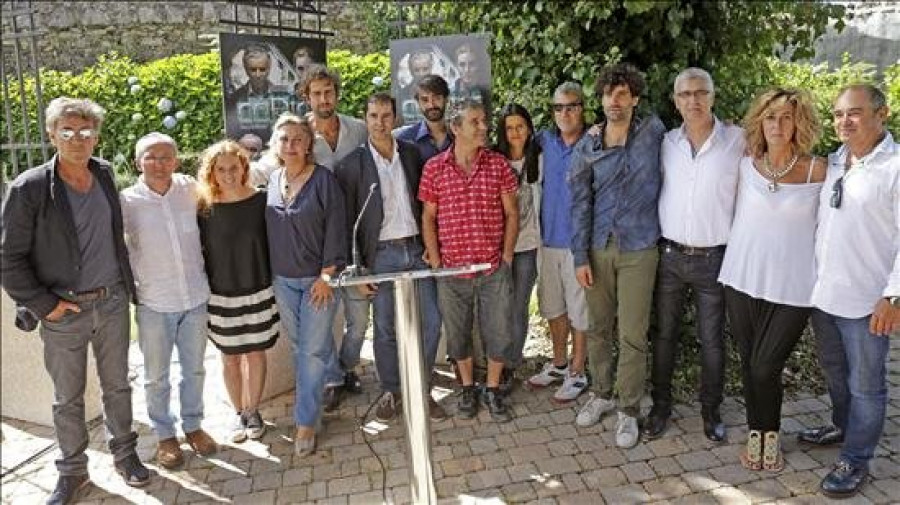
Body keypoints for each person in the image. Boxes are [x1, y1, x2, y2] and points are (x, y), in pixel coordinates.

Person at [1, 97, 150, 503]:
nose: (77, 138)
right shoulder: (29, 188)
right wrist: (43, 304)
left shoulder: (103, 173)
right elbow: (8, 258)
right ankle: (73, 472)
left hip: (113, 302)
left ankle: (126, 455)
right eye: (67, 131)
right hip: (63, 311)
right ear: (52, 135)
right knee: (67, 397)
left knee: (118, 385)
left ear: (96, 136)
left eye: (85, 131)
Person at [717, 88, 825, 471]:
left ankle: (772, 433)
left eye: (785, 117)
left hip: (794, 287)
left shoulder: (819, 170)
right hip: (741, 277)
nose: (777, 125)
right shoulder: (746, 165)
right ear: (759, 123)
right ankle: (757, 435)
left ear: (798, 123)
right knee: (749, 363)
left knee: (766, 366)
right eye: (770, 117)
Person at [806, 84, 899, 498]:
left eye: (855, 113)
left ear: (882, 114)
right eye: (839, 114)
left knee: (867, 385)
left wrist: (894, 295)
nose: (845, 121)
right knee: (835, 373)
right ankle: (842, 428)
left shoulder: (895, 167)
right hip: (825, 295)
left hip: (867, 302)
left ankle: (856, 459)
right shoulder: (836, 162)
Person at [644, 68, 745, 443]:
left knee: (712, 340)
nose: (693, 100)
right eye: (685, 94)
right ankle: (660, 407)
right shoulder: (665, 141)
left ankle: (711, 411)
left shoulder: (738, 139)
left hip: (714, 259)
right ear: (675, 101)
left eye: (701, 93)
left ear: (713, 97)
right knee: (665, 335)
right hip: (669, 256)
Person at [569, 63, 665, 449]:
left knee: (632, 334)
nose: (615, 100)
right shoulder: (588, 145)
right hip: (597, 246)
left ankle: (628, 409)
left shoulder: (654, 132)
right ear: (602, 98)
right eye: (609, 93)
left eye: (623, 93)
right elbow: (579, 202)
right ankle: (602, 393)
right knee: (598, 328)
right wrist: (579, 256)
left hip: (640, 248)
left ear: (635, 98)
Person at [334, 92, 445, 423]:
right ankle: (393, 391)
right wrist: (360, 270)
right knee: (385, 328)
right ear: (365, 119)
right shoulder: (351, 165)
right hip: (380, 256)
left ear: (395, 118)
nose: (380, 123)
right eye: (373, 116)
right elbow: (348, 222)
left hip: (416, 249)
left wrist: (431, 243)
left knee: (431, 321)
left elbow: (428, 204)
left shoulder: (412, 154)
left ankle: (422, 389)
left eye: (386, 116)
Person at [121, 132, 218, 469]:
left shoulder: (190, 189)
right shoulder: (127, 201)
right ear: (138, 162)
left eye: (166, 157)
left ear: (176, 161)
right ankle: (165, 435)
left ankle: (193, 426)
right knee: (156, 376)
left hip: (194, 296)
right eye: (151, 156)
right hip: (153, 301)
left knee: (194, 369)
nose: (159, 163)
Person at [419, 99, 519, 422]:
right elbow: (428, 217)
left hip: (492, 268)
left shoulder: (498, 164)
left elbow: (512, 212)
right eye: (475, 122)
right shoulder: (434, 168)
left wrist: (505, 256)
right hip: (452, 270)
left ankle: (491, 389)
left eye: (483, 121)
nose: (483, 127)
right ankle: (466, 388)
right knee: (458, 332)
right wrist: (436, 260)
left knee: (498, 331)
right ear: (456, 127)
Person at [265, 113, 347, 456]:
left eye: (298, 139)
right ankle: (336, 376)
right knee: (302, 346)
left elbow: (337, 229)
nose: (291, 146)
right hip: (283, 281)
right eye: (284, 139)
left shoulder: (324, 181)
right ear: (276, 145)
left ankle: (306, 422)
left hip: (318, 282)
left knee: (310, 353)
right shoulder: (272, 180)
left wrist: (328, 276)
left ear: (309, 144)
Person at [196, 140, 280, 443]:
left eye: (234, 167)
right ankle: (237, 413)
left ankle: (253, 410)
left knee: (256, 354)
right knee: (230, 357)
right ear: (212, 172)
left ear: (244, 168)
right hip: (220, 294)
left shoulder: (262, 201)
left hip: (258, 289)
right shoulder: (203, 207)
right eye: (221, 169)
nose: (228, 174)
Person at [299, 64, 370, 410]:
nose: (323, 99)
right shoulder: (299, 135)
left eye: (328, 92)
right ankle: (333, 378)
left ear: (337, 94)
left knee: (359, 319)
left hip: (356, 237)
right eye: (316, 93)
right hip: (318, 242)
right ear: (306, 96)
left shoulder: (357, 129)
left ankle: (346, 366)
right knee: (321, 317)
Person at [526, 82, 592, 404]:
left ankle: (578, 371)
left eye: (571, 106)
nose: (564, 113)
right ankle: (559, 363)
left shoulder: (593, 142)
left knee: (580, 310)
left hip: (578, 245)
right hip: (546, 240)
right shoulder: (544, 141)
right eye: (558, 107)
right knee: (552, 305)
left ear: (582, 108)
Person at [494, 103, 542, 392]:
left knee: (518, 306)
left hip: (529, 244)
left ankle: (510, 364)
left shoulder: (540, 157)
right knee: (498, 306)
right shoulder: (493, 159)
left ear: (529, 128)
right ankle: (495, 360)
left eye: (520, 126)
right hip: (498, 245)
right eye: (510, 128)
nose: (515, 133)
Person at [224, 44, 290, 139]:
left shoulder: (283, 96)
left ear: (269, 68)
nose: (258, 75)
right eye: (253, 70)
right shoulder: (235, 98)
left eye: (262, 69)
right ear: (246, 70)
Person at [395, 75, 454, 162]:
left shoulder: (460, 135)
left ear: (446, 99)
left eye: (436, 98)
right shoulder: (405, 139)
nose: (431, 105)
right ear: (418, 102)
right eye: (425, 100)